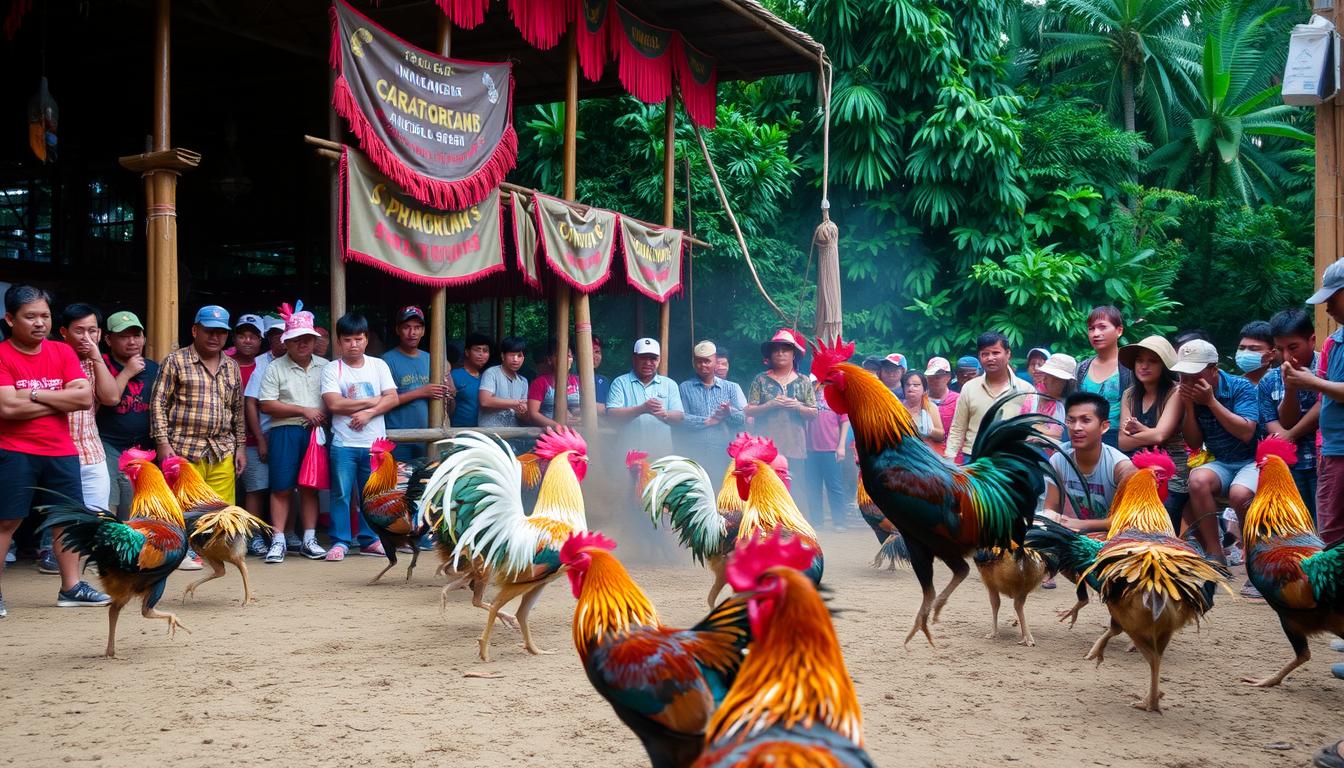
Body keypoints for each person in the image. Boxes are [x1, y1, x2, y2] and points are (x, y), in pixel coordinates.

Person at [0, 285, 110, 616]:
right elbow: (6, 409)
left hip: (61, 451)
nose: (39, 323)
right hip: (13, 449)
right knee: (6, 521)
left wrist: (30, 396)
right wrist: (57, 399)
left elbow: (82, 398)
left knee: (66, 521)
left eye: (44, 316)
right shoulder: (3, 355)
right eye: (30, 316)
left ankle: (71, 588)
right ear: (10, 319)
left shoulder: (62, 353)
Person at [1173, 339, 1258, 574]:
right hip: (1220, 462)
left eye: (1194, 374)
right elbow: (1193, 443)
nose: (1188, 381)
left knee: (1240, 494)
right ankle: (1215, 553)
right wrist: (1190, 407)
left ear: (1213, 369)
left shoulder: (1240, 387)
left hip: (1252, 460)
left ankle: (1255, 558)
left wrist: (1210, 402)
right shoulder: (1187, 394)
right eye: (1183, 375)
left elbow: (1246, 432)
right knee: (1197, 480)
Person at [321, 312, 399, 561]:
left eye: (358, 338)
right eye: (347, 339)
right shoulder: (333, 369)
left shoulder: (379, 366)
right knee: (341, 493)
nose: (353, 344)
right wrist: (373, 400)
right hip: (344, 443)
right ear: (339, 342)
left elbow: (393, 398)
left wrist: (369, 414)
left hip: (374, 444)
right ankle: (340, 541)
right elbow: (333, 404)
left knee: (373, 494)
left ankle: (370, 539)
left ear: (366, 340)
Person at [151, 305, 246, 503]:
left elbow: (238, 409)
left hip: (222, 451)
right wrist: (162, 442)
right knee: (185, 515)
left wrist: (241, 448)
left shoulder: (231, 366)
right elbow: (158, 403)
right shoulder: (175, 361)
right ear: (195, 330)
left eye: (221, 332)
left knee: (221, 517)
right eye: (209, 331)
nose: (215, 337)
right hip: (183, 450)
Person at [257, 303, 329, 564]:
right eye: (297, 339)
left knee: (310, 487)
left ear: (314, 340)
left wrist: (317, 415)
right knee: (281, 487)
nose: (303, 343)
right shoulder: (275, 367)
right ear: (286, 342)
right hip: (284, 430)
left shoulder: (326, 365)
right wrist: (304, 410)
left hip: (316, 433)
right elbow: (266, 404)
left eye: (307, 338)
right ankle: (278, 539)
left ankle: (309, 539)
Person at [1294, 260, 1344, 547]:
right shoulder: (1334, 342)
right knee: (1332, 532)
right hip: (1333, 449)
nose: (1327, 308)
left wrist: (1311, 382)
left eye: (1332, 298)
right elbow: (1325, 397)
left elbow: (1321, 388)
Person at [1117, 336, 1188, 531]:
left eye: (1152, 361)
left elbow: (1160, 437)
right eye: (1140, 360)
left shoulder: (1176, 392)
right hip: (1139, 463)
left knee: (1162, 517)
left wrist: (1139, 432)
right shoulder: (1129, 395)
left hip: (1174, 467)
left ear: (1164, 365)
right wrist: (1151, 433)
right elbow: (1123, 442)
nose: (1144, 366)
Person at [1041, 392, 1136, 532]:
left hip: (1114, 538)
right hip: (1074, 535)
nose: (1076, 427)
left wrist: (1082, 525)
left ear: (1104, 426)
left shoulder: (1119, 466)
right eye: (1071, 420)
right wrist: (1051, 518)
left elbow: (1129, 519)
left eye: (1085, 420)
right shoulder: (1059, 458)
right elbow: (1051, 508)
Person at [97, 310, 159, 520]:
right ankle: (106, 549)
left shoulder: (153, 368)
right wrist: (127, 371)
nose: (132, 341)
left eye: (136, 335)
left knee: (133, 508)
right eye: (124, 336)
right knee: (107, 502)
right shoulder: (102, 365)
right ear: (108, 339)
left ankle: (126, 551)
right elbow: (108, 398)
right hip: (108, 444)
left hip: (142, 449)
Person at [944, 332, 1034, 462]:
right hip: (974, 458)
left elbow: (1030, 430)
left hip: (1010, 459)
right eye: (985, 354)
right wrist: (949, 458)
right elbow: (958, 427)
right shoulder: (969, 388)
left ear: (1008, 354)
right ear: (980, 357)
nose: (990, 358)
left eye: (996, 353)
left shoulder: (1026, 390)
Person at [59, 304, 113, 514]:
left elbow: (111, 398)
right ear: (64, 332)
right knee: (63, 522)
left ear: (99, 333)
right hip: (60, 454)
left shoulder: (96, 363)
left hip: (93, 453)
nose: (86, 337)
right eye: (79, 330)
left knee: (98, 519)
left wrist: (97, 356)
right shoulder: (53, 359)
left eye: (92, 331)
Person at [745, 329, 817, 477]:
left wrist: (797, 406)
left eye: (785, 350)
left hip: (795, 447)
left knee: (795, 490)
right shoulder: (761, 379)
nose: (780, 353)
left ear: (793, 354)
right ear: (770, 355)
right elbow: (748, 410)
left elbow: (813, 413)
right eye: (776, 350)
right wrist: (770, 405)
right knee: (767, 490)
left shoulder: (803, 381)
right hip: (765, 446)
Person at [381, 306, 449, 460]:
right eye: (407, 327)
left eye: (417, 327)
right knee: (399, 482)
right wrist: (421, 392)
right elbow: (382, 402)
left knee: (425, 481)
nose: (412, 333)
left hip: (428, 436)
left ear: (423, 331)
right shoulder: (386, 360)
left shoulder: (431, 359)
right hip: (398, 436)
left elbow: (447, 400)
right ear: (398, 330)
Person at [606, 338, 684, 457]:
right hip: (628, 455)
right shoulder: (620, 382)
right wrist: (642, 409)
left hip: (662, 454)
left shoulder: (669, 384)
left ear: (659, 360)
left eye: (653, 358)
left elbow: (679, 417)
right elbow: (612, 415)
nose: (648, 363)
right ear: (634, 358)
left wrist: (664, 414)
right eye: (643, 357)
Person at [677, 340, 746, 472]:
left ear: (715, 361)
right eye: (699, 361)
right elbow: (680, 419)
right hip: (693, 453)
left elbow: (743, 418)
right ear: (693, 362)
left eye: (707, 361)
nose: (703, 365)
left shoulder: (731, 388)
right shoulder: (684, 387)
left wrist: (728, 413)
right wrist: (707, 422)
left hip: (725, 453)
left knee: (722, 490)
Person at [228, 314, 269, 534]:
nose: (247, 341)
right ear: (233, 338)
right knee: (226, 490)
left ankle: (253, 536)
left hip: (255, 440)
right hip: (225, 439)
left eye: (253, 336)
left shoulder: (264, 365)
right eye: (242, 335)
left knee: (255, 488)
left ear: (260, 341)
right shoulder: (223, 362)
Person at [1075, 306, 1133, 448]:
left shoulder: (1130, 367)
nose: (1096, 333)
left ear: (1119, 331)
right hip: (1085, 439)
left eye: (1102, 327)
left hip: (1120, 440)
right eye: (1091, 328)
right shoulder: (1081, 368)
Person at [805, 373, 850, 531]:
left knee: (834, 486)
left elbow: (845, 421)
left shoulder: (834, 398)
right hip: (809, 449)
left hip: (831, 448)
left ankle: (839, 522)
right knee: (813, 486)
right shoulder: (806, 399)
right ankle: (817, 521)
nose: (818, 385)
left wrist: (841, 446)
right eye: (816, 382)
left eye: (821, 382)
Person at [1021, 353, 1076, 441]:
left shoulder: (1070, 406)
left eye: (1057, 380)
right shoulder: (1031, 399)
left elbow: (1057, 435)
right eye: (1048, 376)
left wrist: (1033, 426)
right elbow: (1020, 427)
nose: (1047, 380)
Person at [478, 336, 529, 429]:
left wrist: (523, 410)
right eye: (511, 355)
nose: (516, 359)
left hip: (513, 436)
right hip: (490, 435)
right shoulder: (491, 373)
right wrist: (516, 403)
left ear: (523, 358)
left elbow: (522, 416)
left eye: (519, 355)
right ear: (502, 356)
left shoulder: (523, 381)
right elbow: (485, 401)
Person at [527, 339, 580, 428]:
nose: (564, 359)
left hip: (579, 433)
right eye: (558, 355)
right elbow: (533, 414)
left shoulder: (579, 382)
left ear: (572, 359)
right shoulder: (540, 383)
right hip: (552, 434)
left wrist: (581, 418)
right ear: (550, 359)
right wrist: (558, 426)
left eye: (568, 356)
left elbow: (587, 408)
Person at [450, 333, 491, 428]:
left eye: (485, 351)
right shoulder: (454, 375)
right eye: (477, 350)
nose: (481, 354)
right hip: (458, 432)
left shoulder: (488, 378)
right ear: (467, 352)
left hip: (483, 432)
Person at [900, 370, 944, 448]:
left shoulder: (930, 407)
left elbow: (941, 436)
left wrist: (930, 430)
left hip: (926, 452)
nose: (911, 388)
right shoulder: (898, 407)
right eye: (907, 385)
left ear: (924, 389)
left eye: (916, 385)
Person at [924, 357, 958, 455]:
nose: (934, 379)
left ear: (948, 377)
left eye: (938, 376)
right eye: (931, 376)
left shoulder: (958, 400)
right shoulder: (919, 400)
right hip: (926, 456)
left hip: (953, 456)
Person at [1236, 320, 1276, 386]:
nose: (1245, 353)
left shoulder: (1284, 384)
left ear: (1272, 354)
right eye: (1241, 348)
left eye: (1253, 349)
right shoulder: (1230, 386)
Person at [592, 335, 611, 409]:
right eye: (589, 351)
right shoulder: (571, 380)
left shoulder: (603, 381)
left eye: (597, 352)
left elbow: (610, 409)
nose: (594, 356)